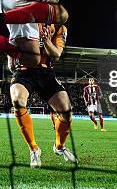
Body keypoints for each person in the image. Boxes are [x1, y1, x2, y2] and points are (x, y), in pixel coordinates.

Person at [7, 23, 77, 168]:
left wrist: (45, 41)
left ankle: (59, 146)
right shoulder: (24, 21)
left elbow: (56, 55)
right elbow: (13, 41)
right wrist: (10, 57)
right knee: (17, 98)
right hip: (24, 71)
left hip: (46, 73)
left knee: (66, 110)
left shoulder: (59, 28)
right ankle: (34, 149)